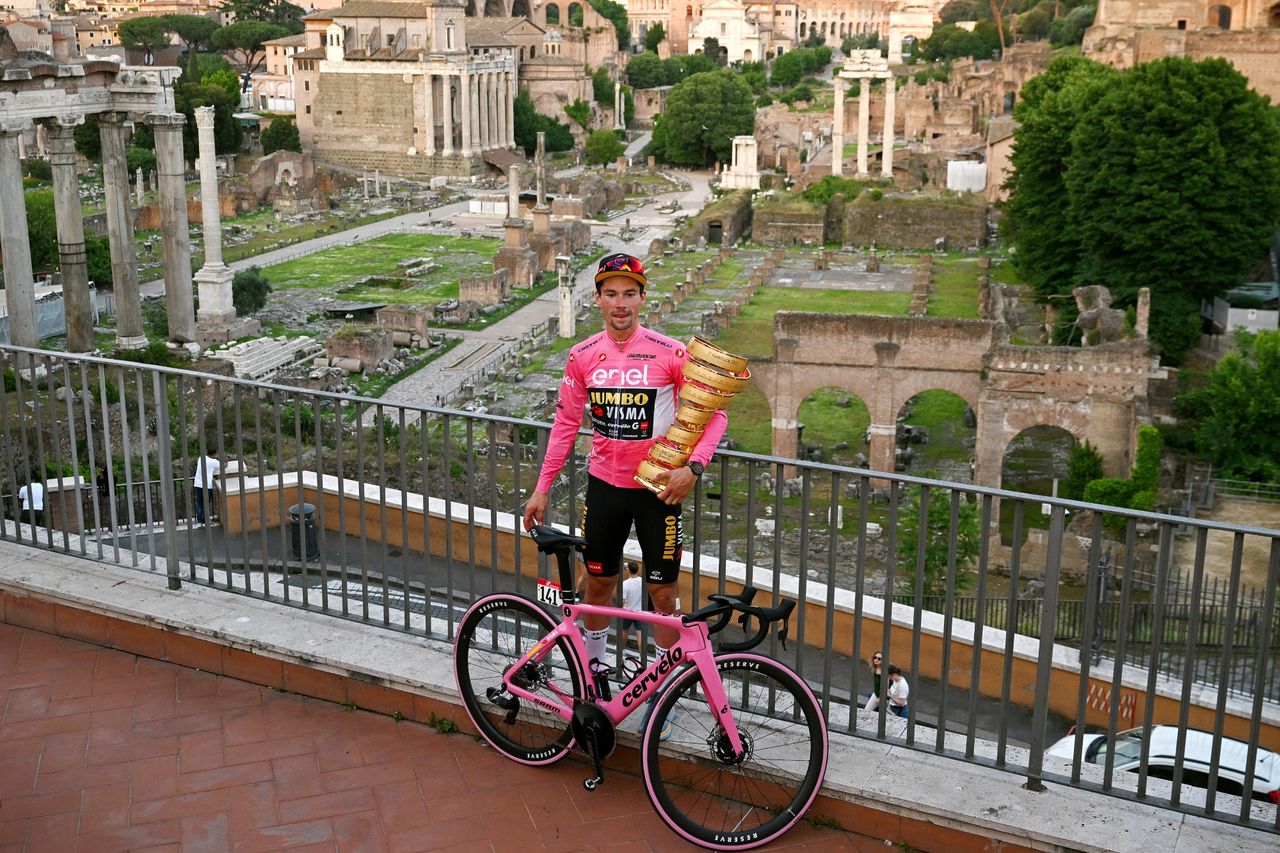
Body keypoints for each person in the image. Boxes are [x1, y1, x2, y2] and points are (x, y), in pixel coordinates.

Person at [521, 252, 729, 707]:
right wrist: (541, 489)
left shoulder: (669, 353)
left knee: (663, 592)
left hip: (659, 492)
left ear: (641, 299)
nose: (621, 303)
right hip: (605, 488)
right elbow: (564, 426)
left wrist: (693, 469)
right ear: (597, 299)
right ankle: (593, 674)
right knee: (598, 584)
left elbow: (716, 416)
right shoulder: (582, 356)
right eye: (611, 293)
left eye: (629, 294)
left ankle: (662, 685)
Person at [619, 561, 643, 652]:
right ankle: (642, 656)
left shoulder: (625, 584)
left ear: (628, 570)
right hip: (639, 612)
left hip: (627, 611)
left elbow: (623, 600)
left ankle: (622, 651)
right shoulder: (642, 581)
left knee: (624, 631)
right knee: (640, 635)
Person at [193, 452, 221, 526]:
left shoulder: (201, 458)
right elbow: (223, 466)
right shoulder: (214, 462)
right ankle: (206, 521)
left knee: (200, 503)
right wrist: (226, 461)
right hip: (207, 486)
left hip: (197, 484)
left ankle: (199, 522)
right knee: (206, 503)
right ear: (214, 454)